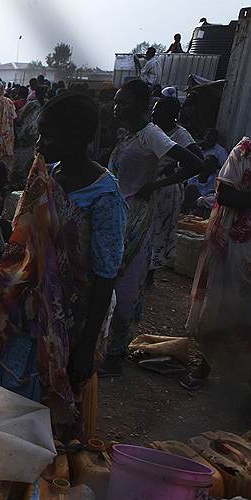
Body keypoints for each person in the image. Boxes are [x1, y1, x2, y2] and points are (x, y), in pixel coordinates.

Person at [0, 92, 128, 439]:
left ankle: (53, 479)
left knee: (60, 405)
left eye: (48, 136)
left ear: (79, 139)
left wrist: (85, 345)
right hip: (35, 310)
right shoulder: (48, 178)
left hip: (76, 318)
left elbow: (105, 274)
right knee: (22, 391)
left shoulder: (104, 196)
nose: (39, 143)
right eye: (40, 133)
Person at [102, 80, 202, 376]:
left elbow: (195, 163)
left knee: (125, 281)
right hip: (119, 213)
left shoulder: (151, 135)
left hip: (136, 216)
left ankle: (116, 353)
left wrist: (156, 184)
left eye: (125, 102)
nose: (118, 108)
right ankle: (107, 344)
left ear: (143, 105)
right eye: (117, 102)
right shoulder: (128, 135)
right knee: (109, 278)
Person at [184, 137, 251, 390]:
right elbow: (225, 193)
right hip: (234, 244)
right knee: (222, 302)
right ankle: (205, 367)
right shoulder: (244, 152)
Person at [148, 97, 202, 277]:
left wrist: (175, 168)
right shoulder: (153, 130)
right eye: (154, 109)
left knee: (158, 232)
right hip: (148, 186)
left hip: (165, 190)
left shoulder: (180, 134)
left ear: (171, 115)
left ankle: (149, 275)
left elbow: (199, 161)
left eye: (159, 110)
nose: (154, 113)